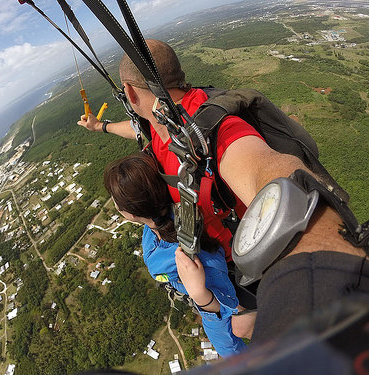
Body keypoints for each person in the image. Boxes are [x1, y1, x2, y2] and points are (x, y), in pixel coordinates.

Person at [81, 39, 369, 341]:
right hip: (223, 253)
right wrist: (101, 127)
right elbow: (140, 128)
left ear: (128, 92)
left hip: (246, 271)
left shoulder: (213, 130)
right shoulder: (162, 119)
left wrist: (337, 281)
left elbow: (267, 171)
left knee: (238, 328)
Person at [103, 152, 247, 356]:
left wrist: (201, 296)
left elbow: (228, 316)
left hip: (209, 302)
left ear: (132, 214)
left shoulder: (192, 256)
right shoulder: (165, 223)